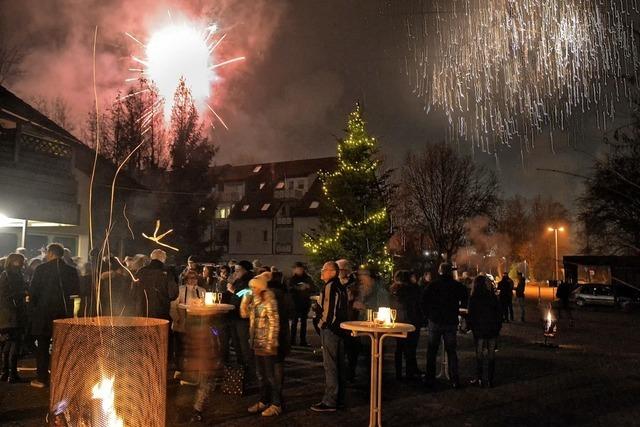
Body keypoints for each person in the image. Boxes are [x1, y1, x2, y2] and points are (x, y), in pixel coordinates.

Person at [29, 243, 79, 388]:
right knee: (61, 346)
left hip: (43, 314)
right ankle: (61, 377)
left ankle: (42, 378)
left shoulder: (41, 269)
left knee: (43, 346)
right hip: (64, 314)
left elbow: (33, 292)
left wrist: (33, 310)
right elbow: (76, 293)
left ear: (50, 253)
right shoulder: (71, 271)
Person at [240, 272, 282, 417]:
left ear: (261, 288)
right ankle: (264, 400)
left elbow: (274, 323)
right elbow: (244, 314)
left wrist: (271, 343)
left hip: (267, 343)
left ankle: (276, 404)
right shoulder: (255, 300)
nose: (252, 289)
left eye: (254, 287)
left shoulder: (270, 300)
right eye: (251, 287)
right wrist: (245, 300)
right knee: (260, 375)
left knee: (271, 376)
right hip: (256, 342)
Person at [421, 262, 467, 388]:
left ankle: (430, 378)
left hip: (435, 321)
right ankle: (454, 379)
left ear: (440, 271)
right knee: (451, 351)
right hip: (450, 321)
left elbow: (424, 301)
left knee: (432, 351)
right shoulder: (456, 285)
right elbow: (465, 297)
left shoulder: (433, 285)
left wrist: (428, 315)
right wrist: (460, 310)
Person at [311, 261, 348, 412]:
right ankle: (339, 398)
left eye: (325, 269)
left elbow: (329, 311)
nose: (322, 272)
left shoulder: (330, 286)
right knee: (339, 364)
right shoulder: (340, 286)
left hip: (331, 330)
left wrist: (321, 324)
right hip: (339, 329)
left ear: (333, 272)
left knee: (330, 365)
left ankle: (330, 400)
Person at [466, 275, 502, 388]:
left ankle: (479, 378)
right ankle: (490, 380)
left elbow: (470, 314)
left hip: (479, 329)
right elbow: (499, 313)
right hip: (492, 328)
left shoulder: (474, 297)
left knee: (479, 354)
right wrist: (498, 327)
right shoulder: (492, 296)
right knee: (491, 354)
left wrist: (470, 326)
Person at [268, 271, 294, 408]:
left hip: (272, 335)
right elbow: (291, 311)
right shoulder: (285, 293)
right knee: (278, 365)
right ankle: (276, 398)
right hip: (282, 333)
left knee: (272, 368)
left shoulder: (269, 294)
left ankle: (275, 401)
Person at [390, 270, 422, 380]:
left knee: (399, 348)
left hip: (397, 321)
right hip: (412, 322)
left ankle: (398, 373)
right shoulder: (415, 289)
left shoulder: (393, 290)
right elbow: (419, 305)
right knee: (411, 349)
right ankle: (410, 373)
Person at [0, 254, 27, 383]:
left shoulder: (4, 274)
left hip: (5, 313)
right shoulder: (15, 275)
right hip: (15, 312)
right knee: (15, 342)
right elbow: (16, 292)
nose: (22, 263)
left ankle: (5, 372)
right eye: (21, 261)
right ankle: (12, 373)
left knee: (7, 342)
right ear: (15, 262)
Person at [226, 260, 254, 375]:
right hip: (234, 315)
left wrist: (232, 291)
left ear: (245, 270)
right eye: (235, 270)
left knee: (243, 342)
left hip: (242, 317)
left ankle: (247, 367)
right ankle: (241, 366)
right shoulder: (239, 281)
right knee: (236, 342)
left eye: (238, 270)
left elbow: (245, 294)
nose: (235, 272)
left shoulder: (250, 282)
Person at [135, 249, 178, 320]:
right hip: (160, 314)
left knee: (143, 331)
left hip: (142, 312)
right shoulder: (167, 273)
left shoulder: (141, 272)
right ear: (163, 259)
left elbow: (133, 293)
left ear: (151, 258)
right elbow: (173, 294)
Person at [288, 261, 315, 347]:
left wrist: (308, 286)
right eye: (298, 269)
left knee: (304, 323)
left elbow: (313, 287)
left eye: (301, 269)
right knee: (294, 323)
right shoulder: (292, 279)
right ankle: (292, 340)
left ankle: (303, 341)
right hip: (295, 303)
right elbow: (289, 289)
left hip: (305, 303)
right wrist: (298, 288)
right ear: (295, 270)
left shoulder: (307, 278)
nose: (300, 270)